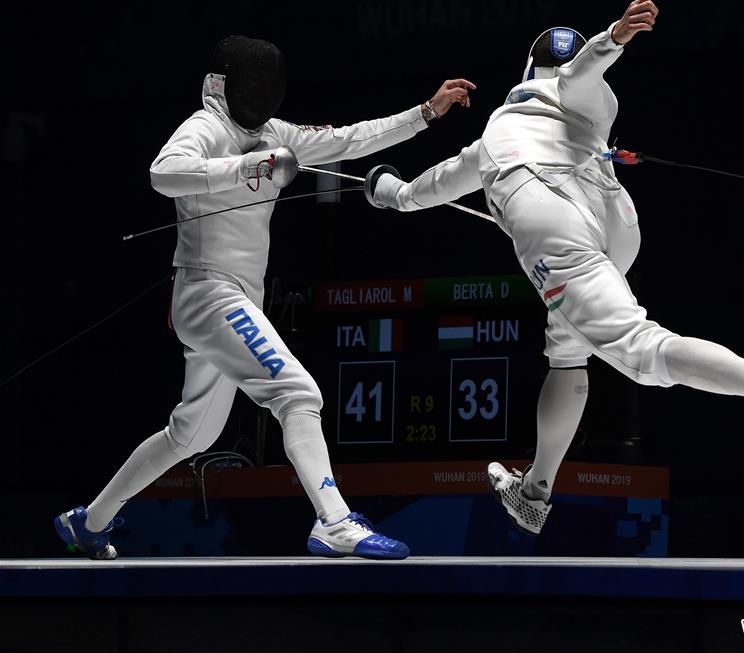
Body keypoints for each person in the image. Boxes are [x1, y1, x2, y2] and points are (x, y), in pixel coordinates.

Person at [363, 0, 744, 537]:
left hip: (556, 218)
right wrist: (394, 192)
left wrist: (613, 38)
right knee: (568, 350)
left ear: (527, 68)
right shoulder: (561, 116)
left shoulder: (512, 124)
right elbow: (434, 185)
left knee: (640, 353)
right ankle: (535, 492)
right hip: (612, 225)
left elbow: (429, 186)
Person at [55, 35, 475, 559]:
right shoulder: (205, 127)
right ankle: (335, 521)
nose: (259, 94)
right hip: (208, 292)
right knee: (298, 394)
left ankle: (88, 522)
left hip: (232, 301)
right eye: (251, 83)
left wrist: (424, 115)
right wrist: (252, 167)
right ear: (224, 84)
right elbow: (163, 174)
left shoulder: (276, 132)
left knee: (191, 435)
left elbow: (349, 140)